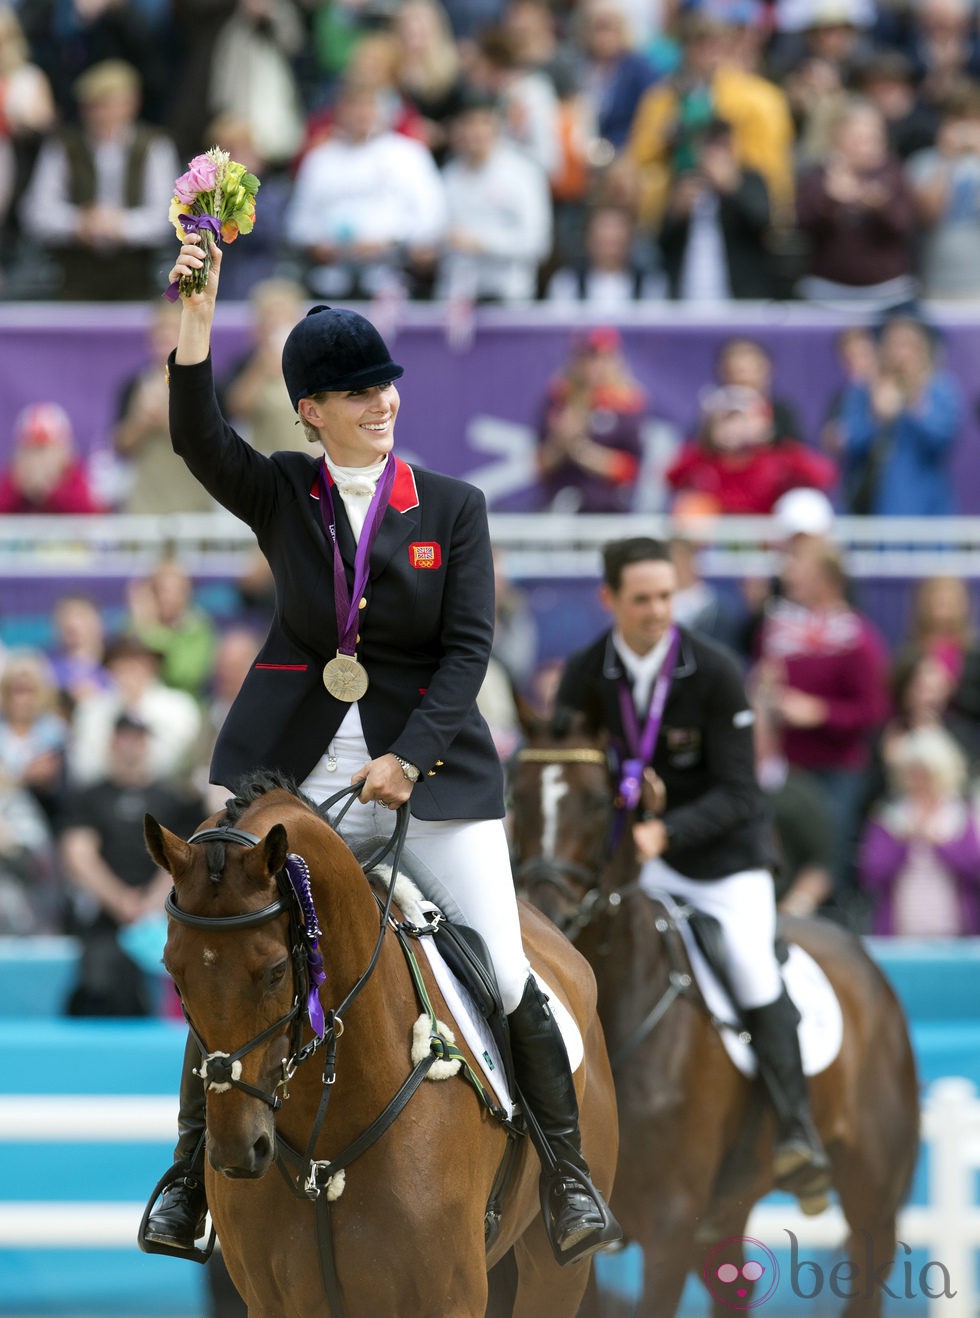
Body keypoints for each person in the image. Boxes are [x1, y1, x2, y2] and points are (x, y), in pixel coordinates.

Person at [142, 228, 622, 1265]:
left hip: (430, 780)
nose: (381, 404)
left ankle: (568, 1174)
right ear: (311, 411)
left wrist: (407, 755)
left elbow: (467, 650)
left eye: (386, 387)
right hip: (299, 775)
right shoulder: (281, 491)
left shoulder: (450, 508)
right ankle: (188, 1178)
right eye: (356, 394)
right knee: (234, 950)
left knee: (503, 969)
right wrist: (196, 311)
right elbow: (193, 437)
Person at [553, 536, 832, 1210]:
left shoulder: (714, 670)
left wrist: (665, 827)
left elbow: (741, 793)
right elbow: (564, 763)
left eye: (666, 597)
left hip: (722, 865)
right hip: (635, 869)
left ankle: (797, 1133)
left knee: (749, 965)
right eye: (642, 599)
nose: (656, 611)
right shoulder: (587, 671)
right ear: (609, 600)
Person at [18, 59, 179, 301]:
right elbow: (36, 211)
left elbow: (167, 216)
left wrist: (120, 225)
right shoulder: (63, 146)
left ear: (131, 104)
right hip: (75, 274)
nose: (100, 114)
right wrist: (79, 222)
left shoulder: (154, 146)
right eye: (93, 106)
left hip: (137, 274)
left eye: (108, 105)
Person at [857, 725, 980, 936]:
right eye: (914, 774)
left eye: (926, 775)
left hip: (957, 930)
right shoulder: (889, 816)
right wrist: (904, 844)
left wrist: (940, 845)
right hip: (901, 929)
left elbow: (975, 869)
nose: (920, 782)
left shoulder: (961, 814)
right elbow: (870, 874)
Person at [836, 315, 963, 516]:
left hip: (927, 506)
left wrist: (914, 402)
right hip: (873, 507)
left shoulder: (940, 389)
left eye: (909, 346)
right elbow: (851, 442)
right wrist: (876, 416)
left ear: (923, 350)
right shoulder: (863, 390)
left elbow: (942, 440)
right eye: (895, 345)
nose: (901, 354)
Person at [534, 325, 647, 513]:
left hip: (608, 508)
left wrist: (581, 450)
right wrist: (561, 441)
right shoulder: (557, 398)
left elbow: (630, 470)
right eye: (586, 356)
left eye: (602, 357)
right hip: (559, 504)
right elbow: (540, 465)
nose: (593, 365)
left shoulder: (627, 403)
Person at [0, 402, 105, 515]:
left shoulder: (75, 475)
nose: (39, 458)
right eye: (31, 449)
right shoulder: (14, 477)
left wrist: (52, 491)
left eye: (45, 449)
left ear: (65, 452)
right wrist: (20, 489)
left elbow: (87, 514)